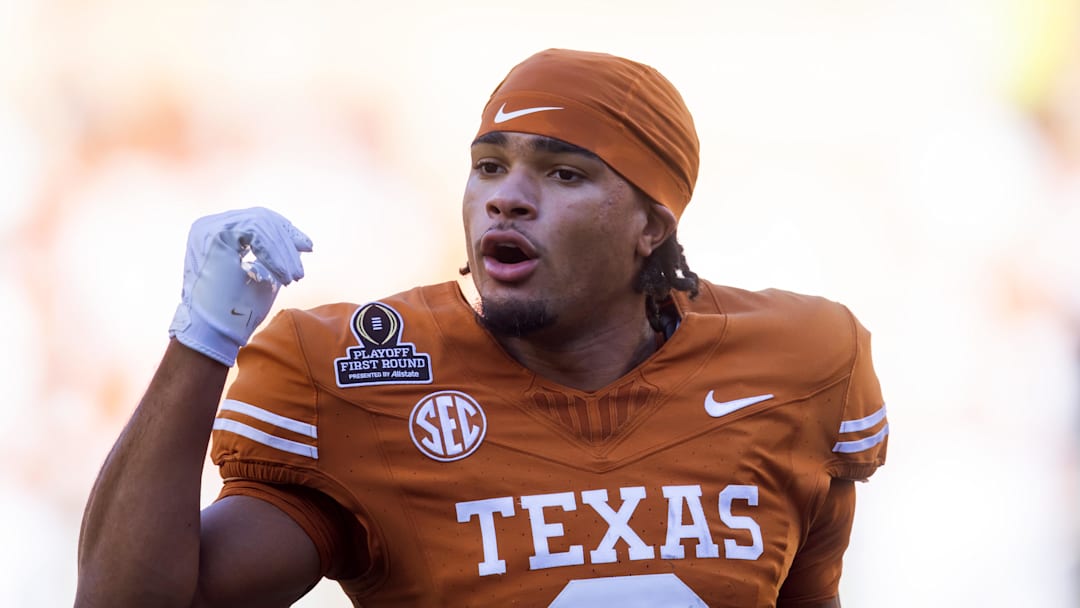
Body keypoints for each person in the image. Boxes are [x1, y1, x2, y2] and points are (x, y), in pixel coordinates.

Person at [75, 49, 888, 608]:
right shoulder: (367, 377)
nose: (506, 197)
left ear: (653, 226)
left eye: (563, 173)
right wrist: (203, 340)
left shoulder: (801, 362)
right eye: (490, 165)